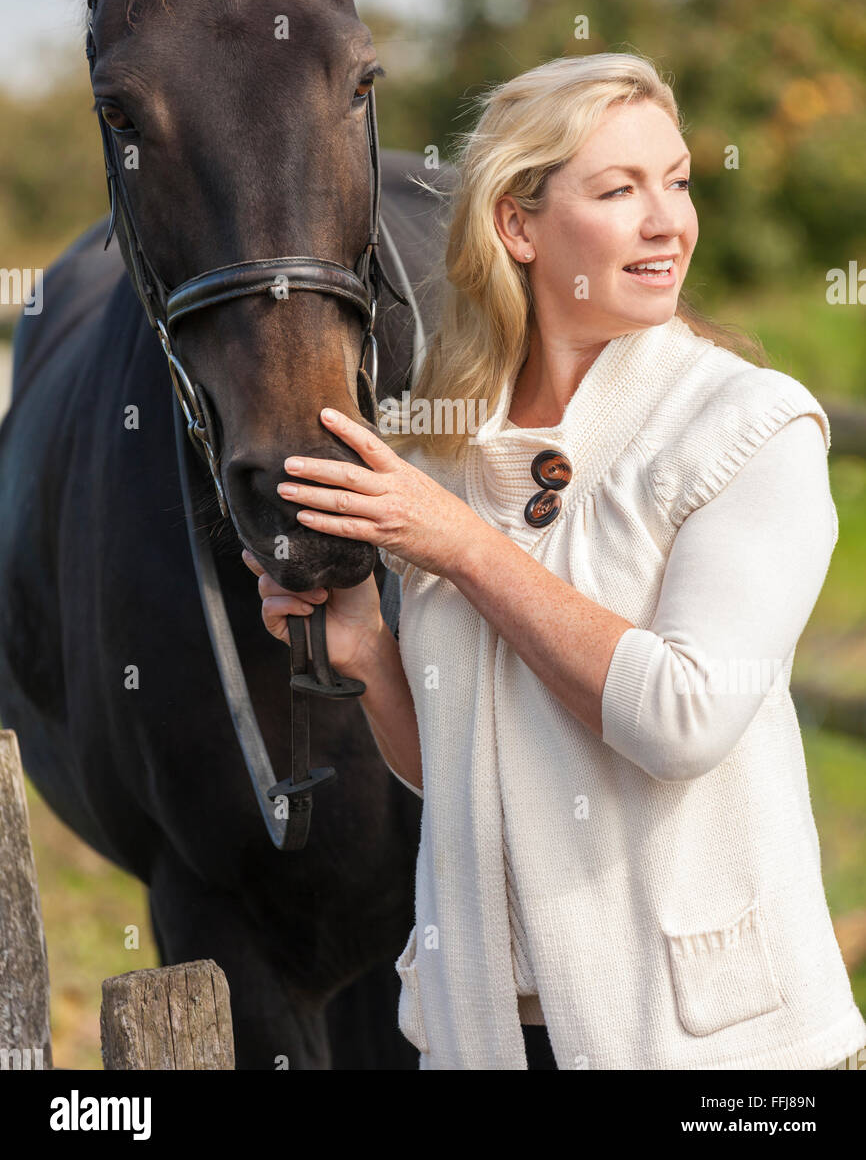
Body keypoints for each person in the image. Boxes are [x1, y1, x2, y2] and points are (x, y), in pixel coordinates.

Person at [242, 53, 866, 1071]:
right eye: (619, 190)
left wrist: (461, 546)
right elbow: (460, 769)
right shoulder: (441, 455)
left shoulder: (751, 428)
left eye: (675, 181)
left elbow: (680, 716)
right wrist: (363, 651)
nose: (667, 220)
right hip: (487, 1034)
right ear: (516, 226)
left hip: (714, 1052)